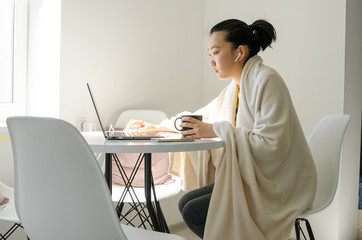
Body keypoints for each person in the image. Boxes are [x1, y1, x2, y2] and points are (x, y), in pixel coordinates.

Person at [127, 19, 317, 240]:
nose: (211, 62)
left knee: (193, 212)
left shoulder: (267, 80)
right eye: (210, 54)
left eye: (216, 52)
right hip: (252, 178)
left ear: (239, 52)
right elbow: (202, 118)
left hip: (281, 186)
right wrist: (159, 128)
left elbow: (272, 145)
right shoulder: (234, 89)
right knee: (186, 202)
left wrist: (217, 130)